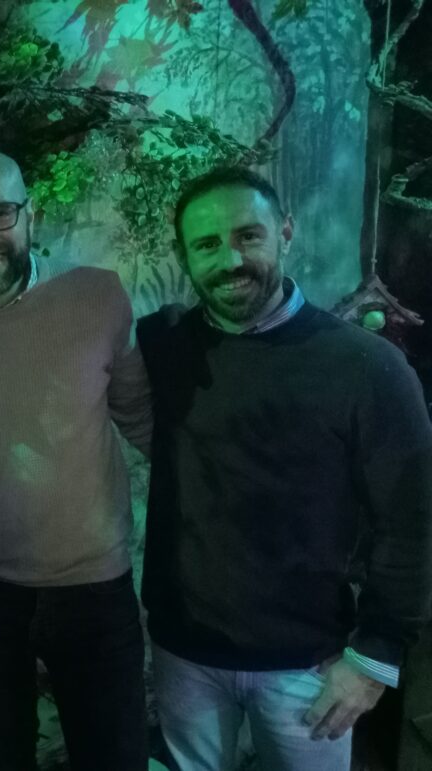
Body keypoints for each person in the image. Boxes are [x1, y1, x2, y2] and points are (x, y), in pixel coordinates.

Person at [136, 166, 432, 771]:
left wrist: (376, 656)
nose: (230, 260)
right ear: (184, 255)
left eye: (248, 236)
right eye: (207, 244)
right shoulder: (163, 347)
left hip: (311, 665)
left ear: (285, 233)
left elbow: (414, 518)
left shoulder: (366, 367)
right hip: (184, 655)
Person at [0, 147, 153, 770]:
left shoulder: (98, 296)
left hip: (95, 590)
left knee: (115, 759)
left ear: (32, 215)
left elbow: (143, 417)